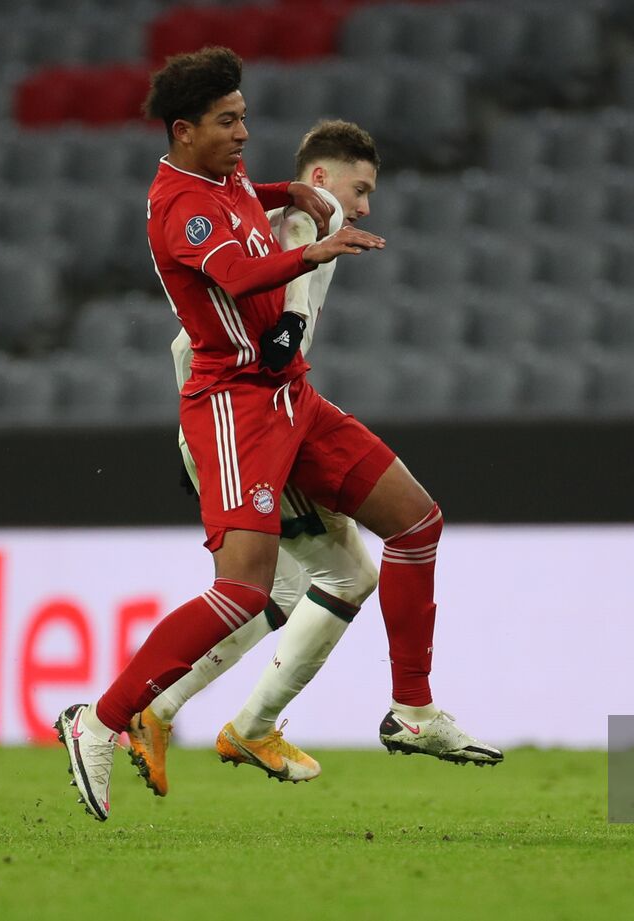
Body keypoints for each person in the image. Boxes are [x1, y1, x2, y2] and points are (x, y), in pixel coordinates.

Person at [56, 47, 501, 823]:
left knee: (417, 522)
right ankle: (100, 717)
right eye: (230, 121)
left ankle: (412, 710)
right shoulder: (178, 210)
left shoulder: (224, 179)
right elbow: (233, 273)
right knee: (244, 590)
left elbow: (241, 199)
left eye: (246, 116)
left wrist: (284, 190)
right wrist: (314, 248)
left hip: (292, 397)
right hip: (234, 406)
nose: (244, 132)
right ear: (185, 129)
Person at [126, 121, 388, 795]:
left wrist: (192, 431)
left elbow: (185, 341)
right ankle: (237, 722)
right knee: (350, 573)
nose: (363, 208)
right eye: (359, 189)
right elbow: (291, 275)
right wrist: (293, 325)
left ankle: (161, 708)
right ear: (320, 180)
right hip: (250, 425)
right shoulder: (298, 227)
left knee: (280, 590)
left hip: (230, 423)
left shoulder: (250, 219)